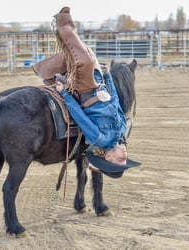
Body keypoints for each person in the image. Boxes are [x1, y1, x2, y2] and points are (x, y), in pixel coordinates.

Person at [32, 7, 137, 176]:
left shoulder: (99, 139)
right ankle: (46, 68)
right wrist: (108, 77)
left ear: (108, 156)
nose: (125, 155)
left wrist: (64, 93)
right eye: (126, 159)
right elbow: (115, 101)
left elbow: (80, 116)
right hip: (100, 84)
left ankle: (63, 22)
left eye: (120, 159)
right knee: (88, 55)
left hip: (86, 90)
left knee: (86, 60)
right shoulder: (121, 129)